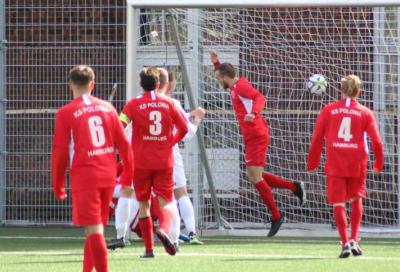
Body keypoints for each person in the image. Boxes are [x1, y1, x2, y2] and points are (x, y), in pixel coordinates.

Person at [210, 51, 304, 237]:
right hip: (252, 135)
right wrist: (217, 64)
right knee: (255, 175)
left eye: (218, 78)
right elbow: (230, 82)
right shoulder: (235, 86)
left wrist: (253, 113)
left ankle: (277, 215)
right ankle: (294, 187)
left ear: (224, 77)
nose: (218, 82)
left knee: (254, 177)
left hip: (256, 133)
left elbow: (260, 97)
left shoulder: (241, 86)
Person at [52, 65, 133, 272]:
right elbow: (124, 145)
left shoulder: (66, 112)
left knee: (95, 229)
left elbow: (60, 152)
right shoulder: (108, 108)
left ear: (70, 85)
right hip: (108, 175)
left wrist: (59, 184)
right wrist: (127, 176)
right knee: (94, 228)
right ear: (92, 84)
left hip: (85, 177)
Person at [307, 75, 384, 258]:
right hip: (357, 163)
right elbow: (377, 142)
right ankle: (354, 240)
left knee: (339, 203)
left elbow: (317, 138)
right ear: (359, 91)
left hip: (336, 164)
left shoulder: (328, 110)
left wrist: (313, 162)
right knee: (357, 200)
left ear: (340, 90)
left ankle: (345, 244)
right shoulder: (365, 112)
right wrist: (378, 162)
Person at [119, 67, 188, 257]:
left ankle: (149, 250)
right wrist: (169, 142)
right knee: (166, 201)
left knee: (144, 204)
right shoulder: (169, 103)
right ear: (159, 85)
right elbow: (183, 129)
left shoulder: (132, 105)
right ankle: (164, 230)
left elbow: (120, 125)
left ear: (141, 85)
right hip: (164, 161)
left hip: (140, 161)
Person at [159, 68, 205, 246]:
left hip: (148, 153)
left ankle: (128, 234)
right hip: (170, 152)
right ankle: (190, 233)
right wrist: (197, 119)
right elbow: (187, 133)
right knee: (180, 193)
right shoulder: (173, 103)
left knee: (140, 195)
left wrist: (189, 115)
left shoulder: (144, 103)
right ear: (169, 83)